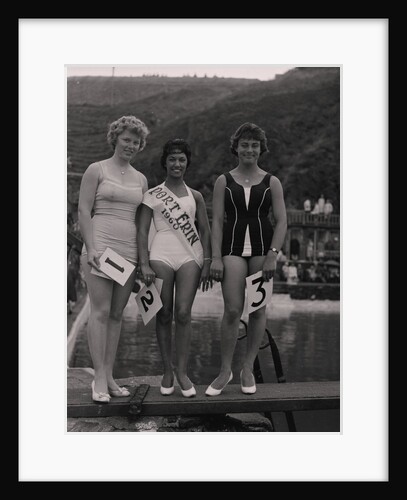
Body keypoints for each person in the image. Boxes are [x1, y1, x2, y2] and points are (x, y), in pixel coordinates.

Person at [206, 122, 287, 396]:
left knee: (258, 310)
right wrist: (215, 257)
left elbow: (282, 221)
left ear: (261, 149)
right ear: (236, 148)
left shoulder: (271, 182)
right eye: (244, 145)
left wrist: (273, 255)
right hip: (232, 248)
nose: (249, 149)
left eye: (254, 145)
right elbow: (217, 221)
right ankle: (224, 370)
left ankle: (248, 368)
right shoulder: (223, 181)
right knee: (231, 310)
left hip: (263, 250)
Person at [78, 115, 149, 403]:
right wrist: (91, 248)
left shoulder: (141, 179)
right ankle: (97, 379)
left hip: (128, 252)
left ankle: (108, 375)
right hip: (101, 248)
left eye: (136, 141)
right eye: (126, 140)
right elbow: (84, 211)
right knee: (100, 312)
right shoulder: (96, 170)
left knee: (118, 315)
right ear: (115, 139)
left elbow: (143, 222)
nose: (130, 145)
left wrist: (144, 260)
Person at [137, 139, 212, 398]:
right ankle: (167, 370)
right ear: (165, 162)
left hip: (190, 255)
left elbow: (204, 229)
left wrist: (208, 262)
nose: (177, 164)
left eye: (181, 159)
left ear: (187, 163)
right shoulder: (152, 195)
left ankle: (182, 371)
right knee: (163, 313)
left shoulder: (197, 196)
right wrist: (144, 262)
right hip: (160, 253)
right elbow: (143, 229)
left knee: (183, 313)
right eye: (172, 159)